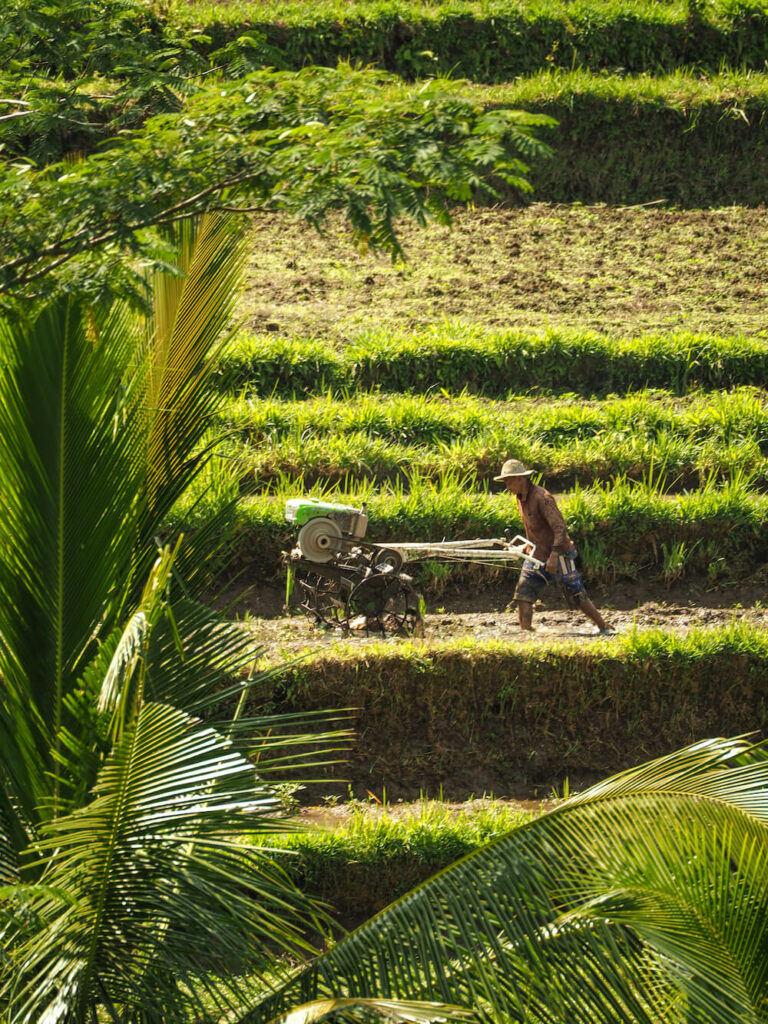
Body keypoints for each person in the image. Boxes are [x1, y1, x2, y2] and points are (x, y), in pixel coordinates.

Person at [494, 458, 614, 635]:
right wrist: (524, 547)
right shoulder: (520, 498)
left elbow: (560, 528)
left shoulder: (542, 498)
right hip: (535, 553)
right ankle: (527, 633)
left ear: (521, 478)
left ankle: (603, 627)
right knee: (523, 595)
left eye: (509, 481)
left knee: (576, 594)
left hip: (559, 553)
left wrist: (554, 555)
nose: (507, 486)